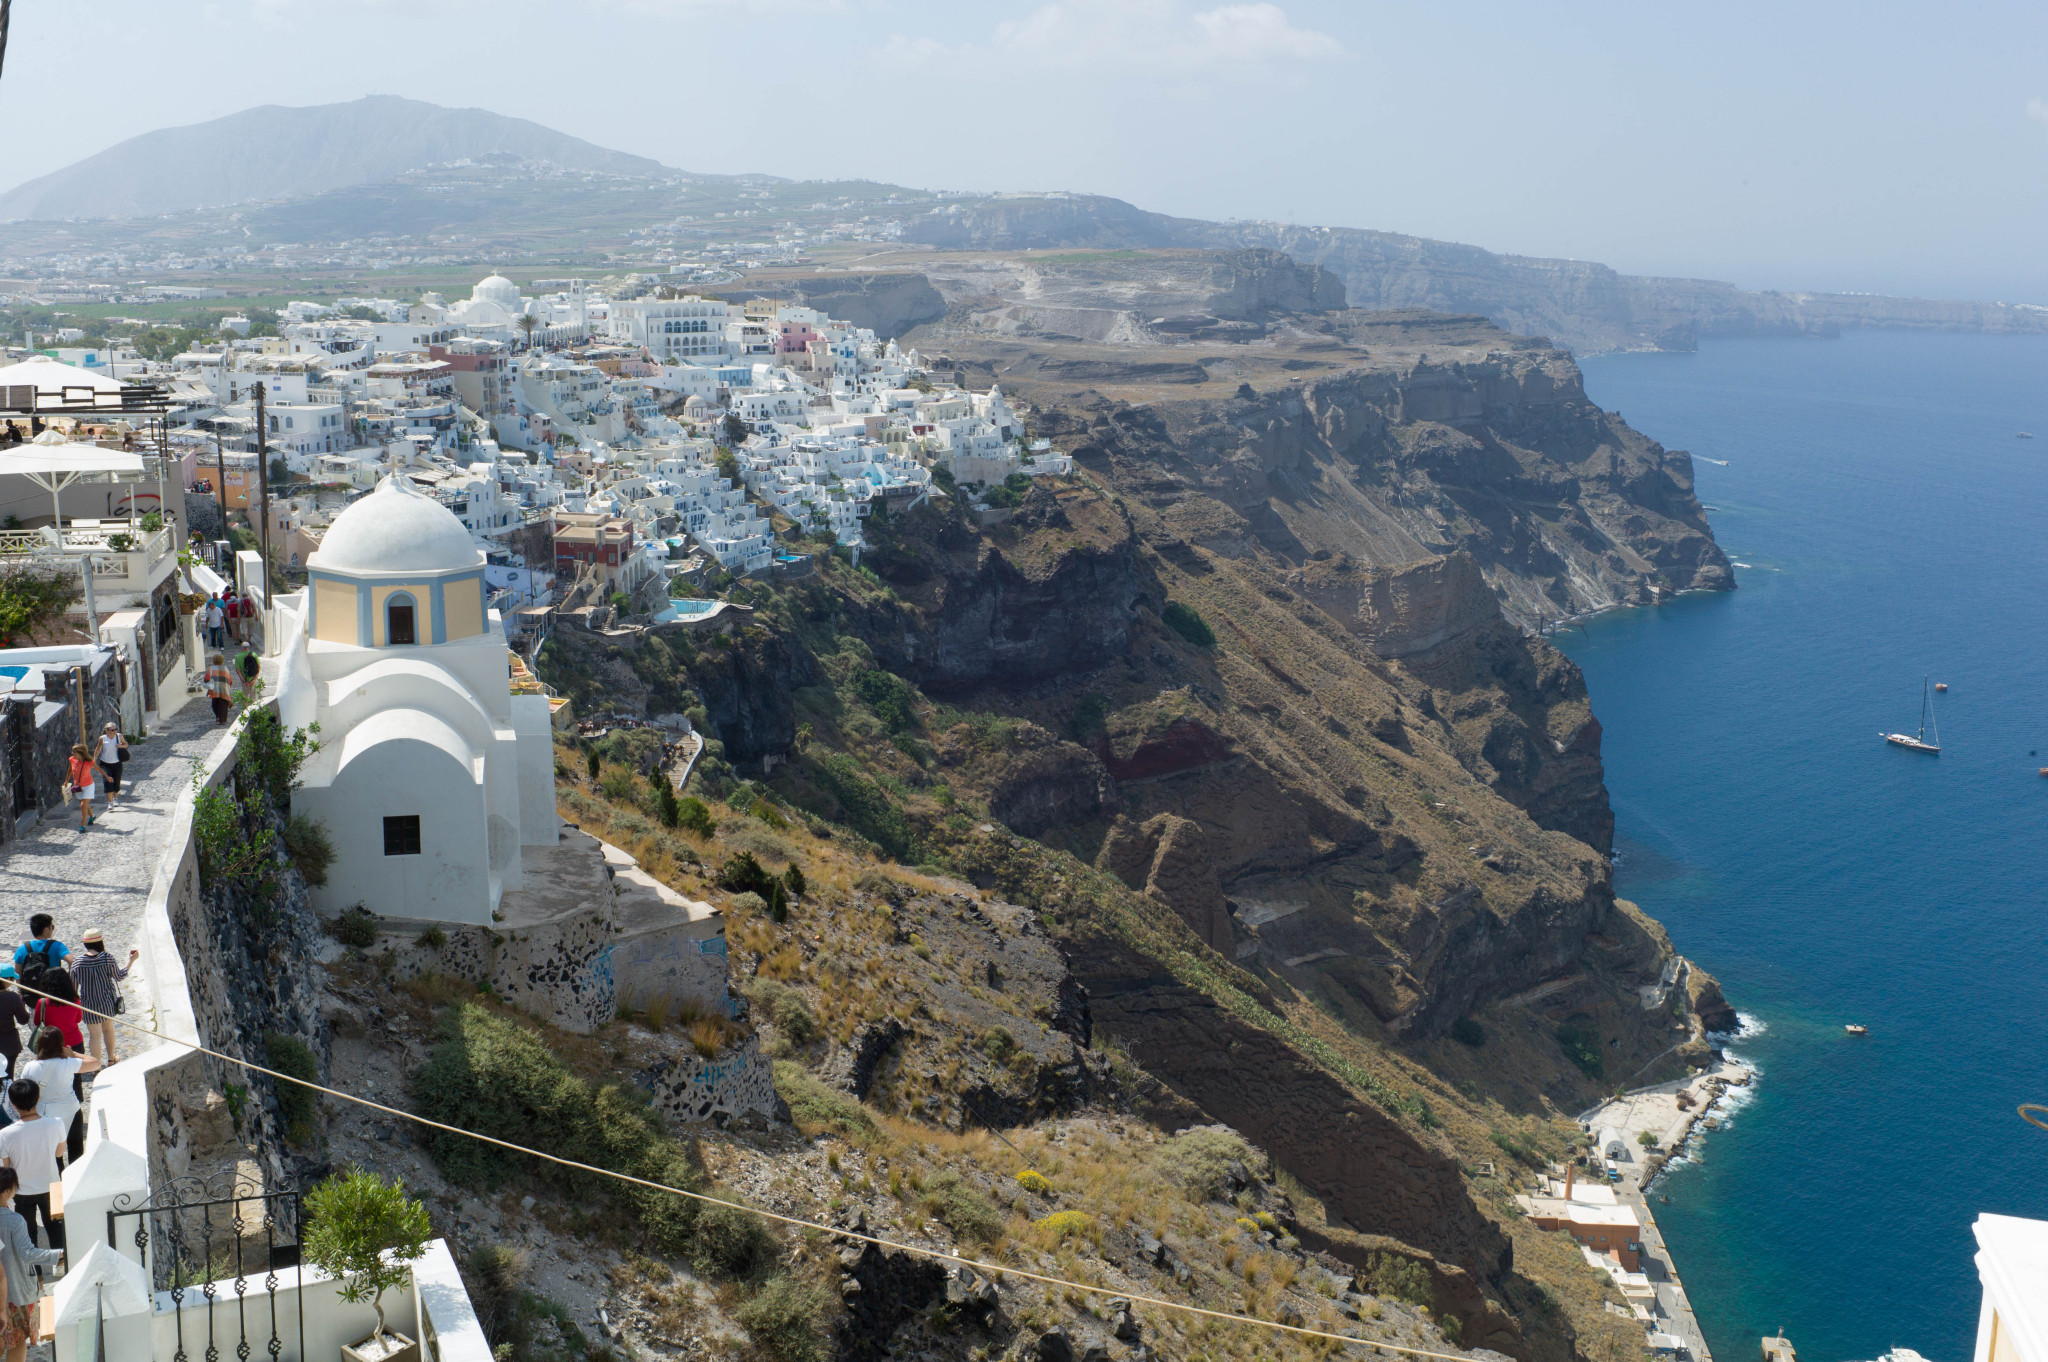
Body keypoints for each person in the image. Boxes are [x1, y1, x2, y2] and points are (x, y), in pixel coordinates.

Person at [0, 1167, 62, 1361]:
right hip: (17, 1294)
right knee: (17, 1342)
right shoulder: (14, 1221)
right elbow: (27, 1253)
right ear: (7, 1192)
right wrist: (57, 1255)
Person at [0, 1080, 66, 1253]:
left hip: (22, 1191)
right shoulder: (56, 1123)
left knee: (29, 1238)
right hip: (51, 1186)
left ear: (13, 1104)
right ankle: (61, 1266)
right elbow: (59, 1154)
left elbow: (7, 1167)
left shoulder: (5, 1135)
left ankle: (38, 1277)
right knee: (56, 1231)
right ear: (38, 1098)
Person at [10, 1032, 92, 1163]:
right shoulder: (68, 1063)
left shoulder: (30, 1067)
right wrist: (74, 1054)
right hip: (70, 1110)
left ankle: (57, 1180)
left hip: (46, 1114)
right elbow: (95, 1063)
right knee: (76, 1148)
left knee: (53, 1154)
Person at [69, 929, 133, 1066]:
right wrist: (131, 961)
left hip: (89, 1004)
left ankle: (96, 1067)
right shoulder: (107, 958)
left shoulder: (77, 962)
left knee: (95, 1036)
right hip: (107, 1002)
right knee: (108, 1029)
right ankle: (111, 1059)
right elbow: (119, 976)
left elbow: (73, 988)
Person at [26, 973, 83, 1058]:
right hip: (74, 1043)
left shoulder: (42, 1002)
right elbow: (78, 1019)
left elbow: (37, 1022)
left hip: (51, 1045)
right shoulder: (75, 1000)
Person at [0, 974, 27, 1083]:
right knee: (7, 1077)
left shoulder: (12, 996)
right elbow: (23, 1020)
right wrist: (21, 1003)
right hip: (9, 1044)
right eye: (12, 979)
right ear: (6, 979)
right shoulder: (12, 997)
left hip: (8, 1043)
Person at [94, 721, 126, 809]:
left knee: (116, 782)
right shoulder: (102, 738)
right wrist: (94, 759)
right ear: (107, 730)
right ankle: (110, 802)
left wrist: (121, 746)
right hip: (105, 763)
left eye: (115, 729)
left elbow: (126, 744)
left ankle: (116, 798)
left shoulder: (119, 736)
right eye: (112, 730)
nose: (114, 731)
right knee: (108, 782)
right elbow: (98, 748)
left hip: (117, 763)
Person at [65, 742, 96, 831]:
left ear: (80, 753)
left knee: (83, 804)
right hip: (78, 786)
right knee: (84, 804)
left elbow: (98, 769)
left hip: (88, 785)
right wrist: (66, 779)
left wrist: (107, 777)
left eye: (74, 752)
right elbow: (70, 768)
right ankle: (92, 816)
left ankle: (83, 826)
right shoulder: (72, 759)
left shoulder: (88, 762)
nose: (72, 753)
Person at [204, 650, 236, 725]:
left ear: (214, 661)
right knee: (223, 705)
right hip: (224, 689)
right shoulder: (225, 668)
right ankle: (223, 720)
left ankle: (218, 716)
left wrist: (207, 683)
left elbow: (206, 679)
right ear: (222, 661)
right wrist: (229, 685)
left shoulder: (210, 669)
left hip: (214, 690)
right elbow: (229, 679)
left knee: (215, 704)